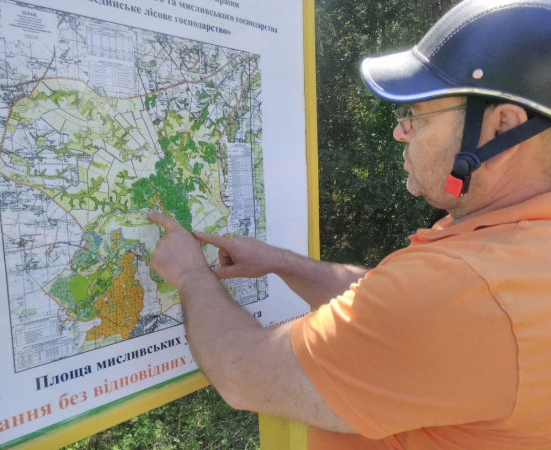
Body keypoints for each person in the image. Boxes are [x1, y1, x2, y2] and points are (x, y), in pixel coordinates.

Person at [147, 0, 551, 448]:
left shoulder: (461, 287)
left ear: (501, 127)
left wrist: (189, 274)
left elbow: (244, 373)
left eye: (417, 115)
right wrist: (283, 262)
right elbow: (391, 312)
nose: (401, 132)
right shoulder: (515, 254)